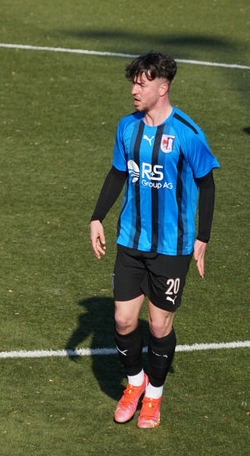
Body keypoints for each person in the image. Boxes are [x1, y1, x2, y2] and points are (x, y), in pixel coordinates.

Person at [89, 52, 219, 429]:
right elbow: (118, 173)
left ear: (162, 88)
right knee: (123, 320)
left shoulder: (188, 133)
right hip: (131, 239)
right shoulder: (127, 127)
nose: (134, 90)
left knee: (159, 327)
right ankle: (135, 383)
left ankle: (154, 396)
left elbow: (207, 184)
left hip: (171, 247)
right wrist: (97, 217)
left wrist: (203, 237)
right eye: (133, 83)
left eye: (141, 84)